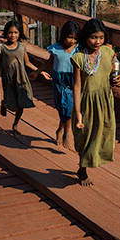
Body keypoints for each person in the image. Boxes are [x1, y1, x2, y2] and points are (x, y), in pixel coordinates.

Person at [71, 18, 120, 186]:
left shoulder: (108, 53)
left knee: (102, 135)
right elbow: (77, 86)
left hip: (104, 101)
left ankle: (85, 165)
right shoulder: (78, 58)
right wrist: (78, 113)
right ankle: (83, 168)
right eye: (94, 37)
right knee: (85, 136)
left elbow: (115, 73)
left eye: (101, 38)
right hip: (86, 102)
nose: (97, 41)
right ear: (86, 37)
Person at [0, 19, 40, 135]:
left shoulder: (22, 47)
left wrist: (40, 71)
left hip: (22, 79)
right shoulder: (2, 48)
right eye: (10, 32)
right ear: (6, 33)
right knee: (12, 105)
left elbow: (27, 63)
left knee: (22, 102)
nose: (13, 35)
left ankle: (15, 124)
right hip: (8, 80)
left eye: (15, 33)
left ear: (19, 34)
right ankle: (5, 103)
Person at [41, 21, 81, 150]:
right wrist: (38, 72)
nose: (72, 41)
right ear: (63, 35)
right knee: (61, 107)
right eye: (70, 37)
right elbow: (49, 63)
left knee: (69, 109)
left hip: (72, 81)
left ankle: (66, 134)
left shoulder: (78, 50)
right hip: (58, 81)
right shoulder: (56, 49)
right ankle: (60, 128)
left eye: (75, 38)